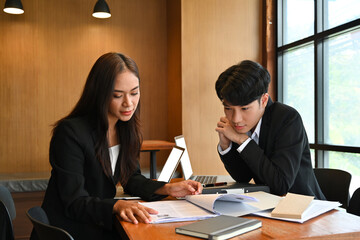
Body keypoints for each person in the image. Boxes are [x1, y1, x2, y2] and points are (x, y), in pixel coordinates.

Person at [31, 52, 202, 240]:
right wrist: (116, 205)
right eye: (117, 95)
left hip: (99, 223)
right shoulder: (70, 133)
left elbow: (130, 178)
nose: (129, 103)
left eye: (134, 93)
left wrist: (166, 188)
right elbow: (74, 202)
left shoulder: (126, 129)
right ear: (100, 94)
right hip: (71, 229)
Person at [215, 60, 325, 200]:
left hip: (303, 206)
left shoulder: (287, 119)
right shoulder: (244, 124)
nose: (236, 119)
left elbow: (281, 185)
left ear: (264, 100)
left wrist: (242, 140)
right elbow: (243, 176)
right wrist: (226, 145)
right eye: (228, 108)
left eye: (244, 108)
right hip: (269, 205)